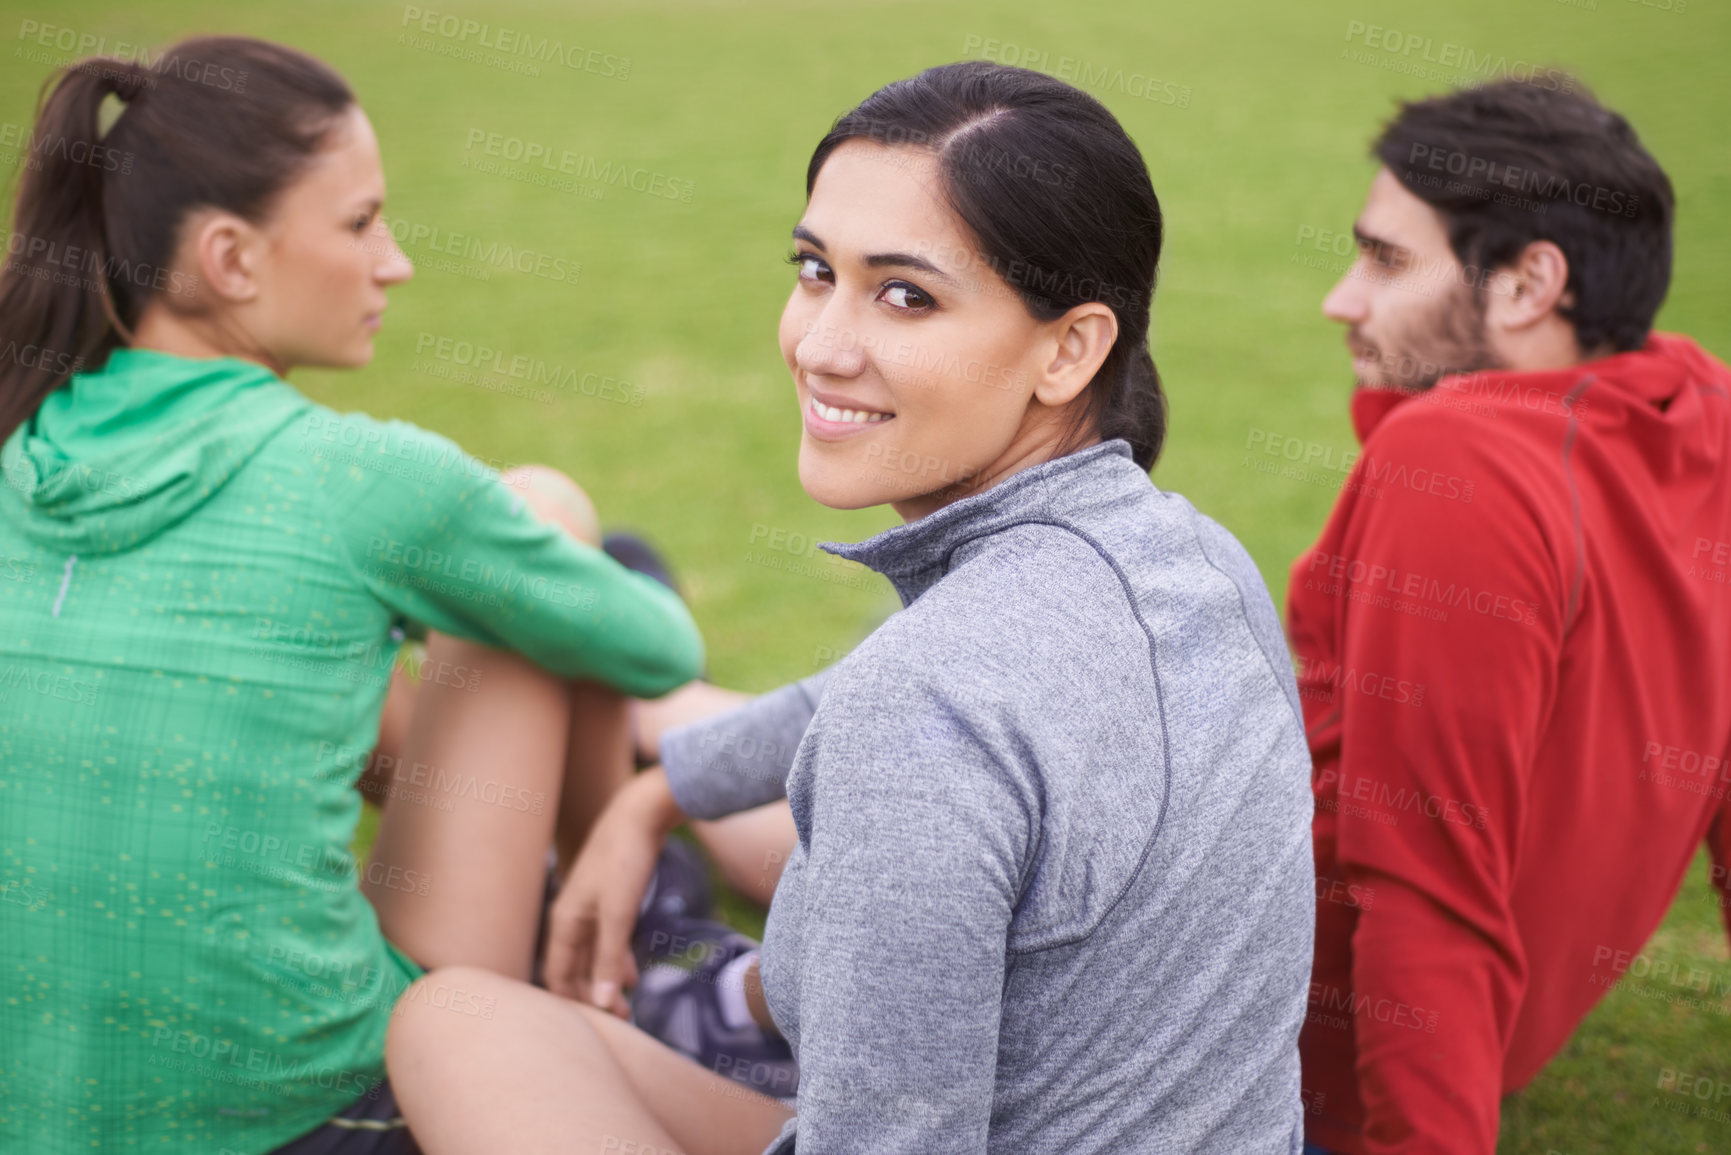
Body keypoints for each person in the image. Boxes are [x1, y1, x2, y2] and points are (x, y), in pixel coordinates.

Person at [388, 61, 1317, 1155]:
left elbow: (926, 722)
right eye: (815, 269)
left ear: (1070, 349)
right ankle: (711, 988)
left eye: (906, 294)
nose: (821, 344)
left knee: (454, 1023)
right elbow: (945, 710)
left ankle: (707, 994)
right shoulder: (1202, 559)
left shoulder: (923, 708)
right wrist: (659, 797)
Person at [0, 37, 705, 1155]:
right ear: (231, 259)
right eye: (361, 223)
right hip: (323, 1114)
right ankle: (613, 961)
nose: (396, 263)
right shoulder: (368, 481)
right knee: (545, 516)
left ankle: (607, 922)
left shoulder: (18, 448)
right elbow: (654, 643)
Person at [1287, 79, 1731, 1154]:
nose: (1340, 301)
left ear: (1531, 281)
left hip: (1246, 1043)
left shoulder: (1458, 459)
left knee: (948, 730)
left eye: (1387, 260)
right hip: (1446, 1024)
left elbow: (1422, 881)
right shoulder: (1701, 413)